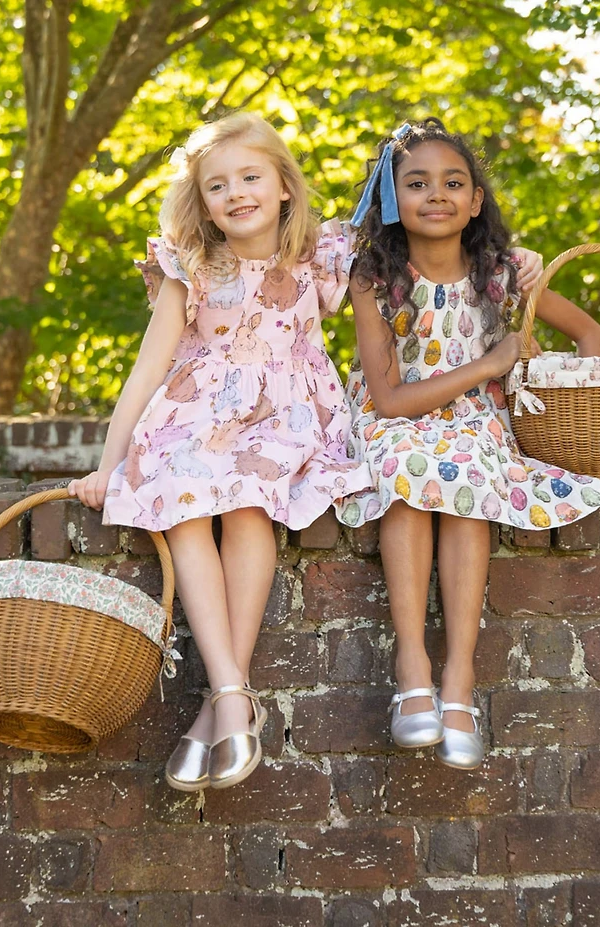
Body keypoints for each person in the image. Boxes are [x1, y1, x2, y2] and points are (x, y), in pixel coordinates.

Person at [68, 112, 373, 791]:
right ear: (202, 202)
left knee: (245, 502)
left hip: (285, 414)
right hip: (198, 416)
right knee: (181, 503)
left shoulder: (320, 256)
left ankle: (219, 704)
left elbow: (422, 253)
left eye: (250, 177)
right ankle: (233, 695)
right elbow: (146, 372)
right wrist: (108, 465)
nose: (236, 193)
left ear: (285, 185)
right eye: (217, 185)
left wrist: (517, 263)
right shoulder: (193, 269)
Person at [336, 118, 600, 769]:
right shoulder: (373, 279)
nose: (437, 194)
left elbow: (590, 335)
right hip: (394, 420)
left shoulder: (502, 274)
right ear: (391, 198)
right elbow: (390, 399)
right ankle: (412, 668)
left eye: (453, 182)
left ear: (477, 199)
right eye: (417, 183)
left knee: (470, 477)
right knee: (408, 471)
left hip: (475, 423)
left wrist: (564, 396)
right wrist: (490, 364)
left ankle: (459, 678)